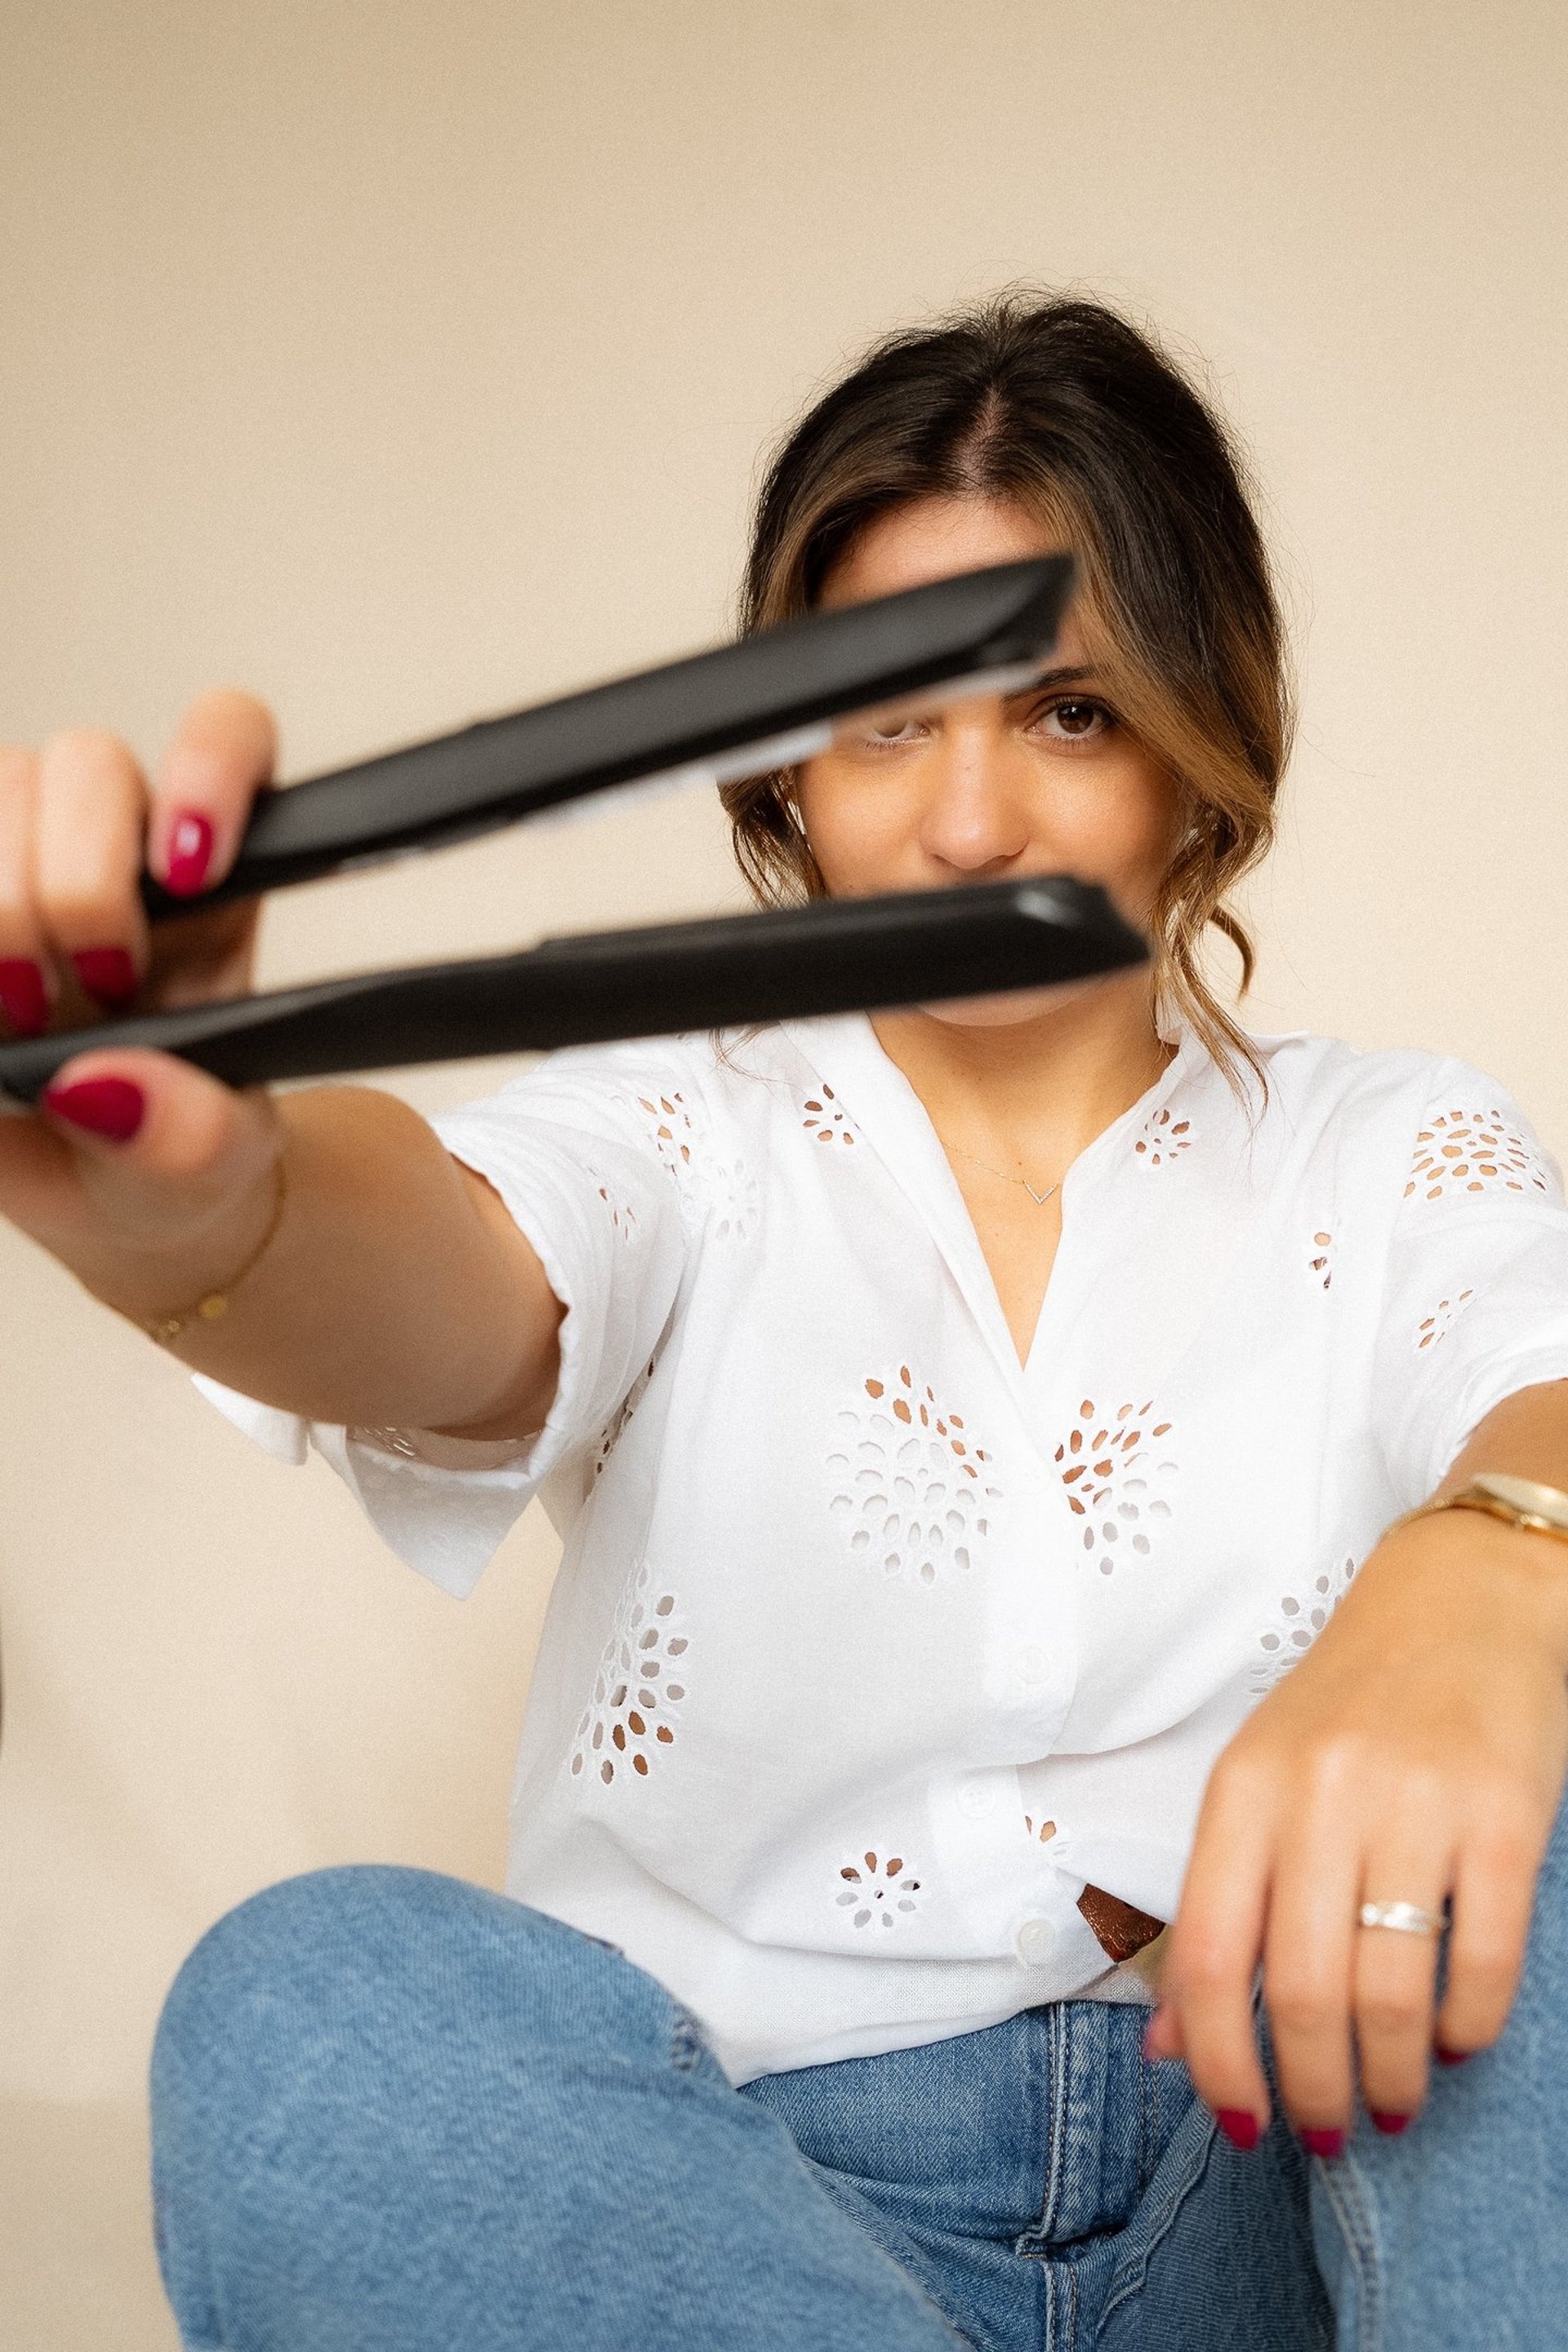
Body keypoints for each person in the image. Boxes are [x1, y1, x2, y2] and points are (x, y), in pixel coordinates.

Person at [2, 293, 1566, 2352]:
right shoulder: (681, 1128)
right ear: (791, 780)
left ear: (1201, 753)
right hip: (744, 2233)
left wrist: (1491, 1573)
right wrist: (236, 1203)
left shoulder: (1387, 1146)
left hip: (1281, 2188)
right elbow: (458, 1283)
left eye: (1069, 713)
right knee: (310, 2012)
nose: (971, 823)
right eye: (889, 720)